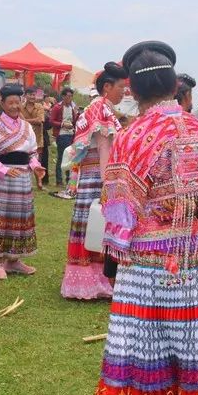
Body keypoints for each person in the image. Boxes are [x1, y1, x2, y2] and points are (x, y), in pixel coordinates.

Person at [93, 42, 198, 395]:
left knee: (142, 352)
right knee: (194, 351)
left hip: (145, 271)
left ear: (131, 88)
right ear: (175, 84)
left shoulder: (132, 136)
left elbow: (118, 209)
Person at [60, 63, 127, 300]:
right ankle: (94, 281)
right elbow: (104, 147)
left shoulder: (96, 108)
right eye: (121, 87)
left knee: (91, 224)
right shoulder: (101, 110)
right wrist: (108, 183)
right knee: (97, 225)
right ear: (107, 87)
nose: (124, 92)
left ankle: (93, 280)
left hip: (91, 174)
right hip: (97, 175)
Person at [0, 83, 46, 279]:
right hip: (1, 180)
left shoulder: (27, 126)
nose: (14, 106)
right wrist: (3, 169)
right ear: (2, 103)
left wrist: (36, 166)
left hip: (22, 179)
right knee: (1, 219)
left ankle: (14, 260)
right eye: (10, 102)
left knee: (20, 218)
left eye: (17, 102)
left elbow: (32, 152)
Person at [50, 87, 79, 187]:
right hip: (62, 134)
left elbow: (76, 121)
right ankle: (59, 180)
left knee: (71, 157)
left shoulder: (73, 107)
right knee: (62, 156)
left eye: (71, 96)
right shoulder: (57, 107)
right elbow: (51, 120)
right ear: (63, 96)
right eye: (68, 96)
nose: (70, 98)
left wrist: (77, 113)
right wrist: (62, 124)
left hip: (72, 134)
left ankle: (69, 179)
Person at [20, 86, 45, 165]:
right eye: (30, 95)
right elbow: (18, 122)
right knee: (25, 162)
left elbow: (40, 120)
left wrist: (24, 121)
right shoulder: (20, 107)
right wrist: (34, 120)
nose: (32, 97)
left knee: (37, 164)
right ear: (25, 95)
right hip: (24, 140)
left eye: (34, 95)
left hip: (38, 140)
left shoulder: (39, 106)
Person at [40, 96, 54, 185]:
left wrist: (47, 116)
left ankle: (45, 180)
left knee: (44, 159)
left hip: (43, 137)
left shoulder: (45, 113)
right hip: (33, 136)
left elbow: (49, 126)